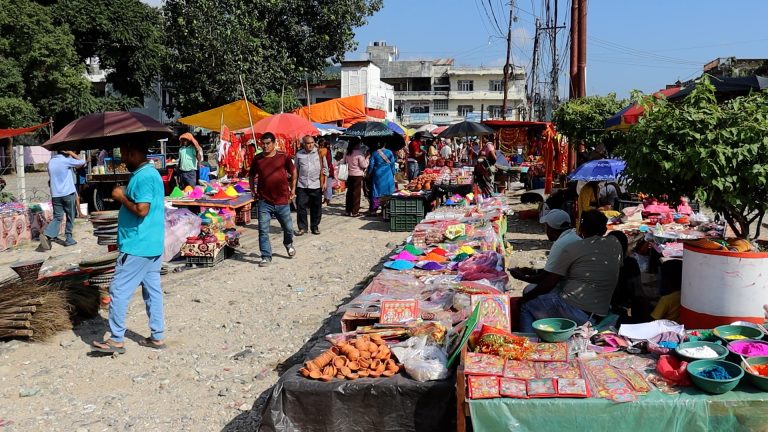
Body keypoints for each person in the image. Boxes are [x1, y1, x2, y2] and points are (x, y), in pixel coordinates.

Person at [91, 142, 166, 354]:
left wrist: (121, 197)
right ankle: (157, 336)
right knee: (152, 291)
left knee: (119, 290)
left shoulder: (143, 177)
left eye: (124, 154)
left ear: (134, 153)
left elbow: (142, 210)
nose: (123, 158)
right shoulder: (150, 174)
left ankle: (116, 339)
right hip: (151, 243)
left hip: (137, 245)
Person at [519, 210, 623, 332]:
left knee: (526, 306)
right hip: (600, 311)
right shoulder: (615, 244)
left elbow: (548, 283)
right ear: (605, 229)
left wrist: (524, 299)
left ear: (581, 229)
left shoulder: (573, 248)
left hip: (577, 311)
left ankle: (528, 342)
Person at [249, 132, 297, 267]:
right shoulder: (257, 159)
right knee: (263, 230)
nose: (265, 146)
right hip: (264, 201)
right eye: (262, 143)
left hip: (282, 199)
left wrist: (293, 190)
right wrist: (252, 190)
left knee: (288, 228)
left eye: (267, 143)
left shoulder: (283, 157)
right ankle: (266, 256)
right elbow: (251, 175)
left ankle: (288, 243)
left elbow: (293, 172)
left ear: (274, 143)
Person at [509, 210, 581, 287]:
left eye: (546, 226)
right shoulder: (573, 236)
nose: (545, 230)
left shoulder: (561, 244)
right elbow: (551, 271)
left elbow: (545, 280)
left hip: (572, 287)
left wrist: (521, 277)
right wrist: (531, 271)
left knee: (529, 289)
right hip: (576, 282)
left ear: (551, 228)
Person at [38, 151, 86, 251]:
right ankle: (68, 238)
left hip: (55, 194)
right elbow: (82, 162)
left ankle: (47, 234)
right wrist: (72, 153)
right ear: (66, 152)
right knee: (70, 215)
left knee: (58, 217)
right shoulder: (66, 161)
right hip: (67, 193)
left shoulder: (51, 162)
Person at [293, 135, 328, 235]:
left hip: (316, 184)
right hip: (302, 185)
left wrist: (324, 182)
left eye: (312, 143)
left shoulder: (320, 153)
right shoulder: (299, 154)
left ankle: (315, 227)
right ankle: (302, 228)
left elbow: (325, 169)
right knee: (300, 206)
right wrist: (293, 186)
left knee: (316, 207)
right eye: (308, 143)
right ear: (304, 144)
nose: (310, 145)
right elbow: (296, 169)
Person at [607, 231, 642, 323]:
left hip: (607, 307)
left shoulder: (602, 262)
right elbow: (637, 292)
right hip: (621, 307)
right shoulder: (630, 263)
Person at [366, 142, 397, 215]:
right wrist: (393, 173)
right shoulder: (389, 152)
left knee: (376, 191)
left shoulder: (374, 153)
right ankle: (385, 209)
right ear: (385, 144)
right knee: (388, 191)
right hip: (388, 173)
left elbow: (371, 165)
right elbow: (392, 164)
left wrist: (369, 173)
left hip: (377, 173)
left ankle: (374, 210)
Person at [344, 139, 368, 217]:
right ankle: (355, 211)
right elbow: (364, 165)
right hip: (357, 175)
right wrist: (367, 158)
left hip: (349, 174)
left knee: (349, 193)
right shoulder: (359, 153)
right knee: (356, 193)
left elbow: (344, 162)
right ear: (356, 145)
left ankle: (348, 210)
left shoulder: (347, 152)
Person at [318, 138, 335, 205]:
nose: (321, 146)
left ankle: (328, 199)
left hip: (328, 171)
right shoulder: (320, 151)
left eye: (322, 145)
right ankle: (325, 199)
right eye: (320, 145)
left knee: (328, 186)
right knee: (324, 187)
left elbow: (328, 162)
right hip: (323, 171)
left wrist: (325, 170)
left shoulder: (327, 151)